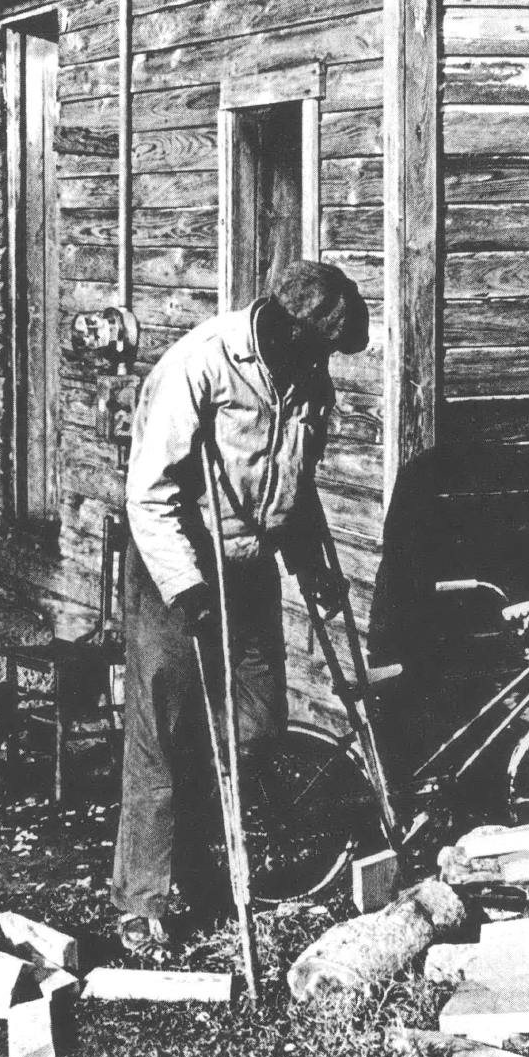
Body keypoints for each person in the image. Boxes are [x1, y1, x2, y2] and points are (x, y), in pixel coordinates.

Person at [112, 260, 370, 958]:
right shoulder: (203, 364)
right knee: (163, 732)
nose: (323, 365)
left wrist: (314, 570)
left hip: (249, 569)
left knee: (256, 728)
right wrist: (188, 588)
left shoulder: (306, 379)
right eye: (317, 348)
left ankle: (205, 857)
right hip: (178, 567)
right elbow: (150, 494)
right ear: (284, 326)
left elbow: (296, 487)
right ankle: (144, 901)